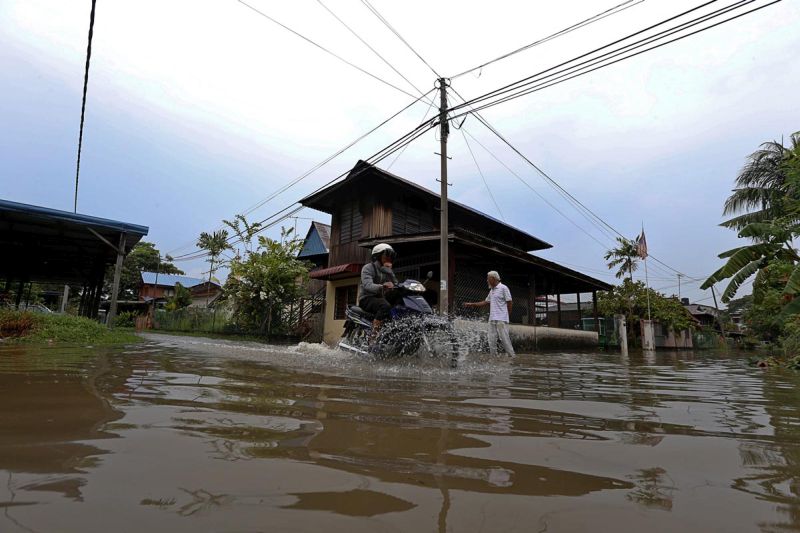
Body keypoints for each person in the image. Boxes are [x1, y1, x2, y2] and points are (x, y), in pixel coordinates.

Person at [464, 270, 515, 356]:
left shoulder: (503, 288)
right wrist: (472, 304)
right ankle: (493, 357)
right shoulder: (492, 290)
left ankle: (512, 356)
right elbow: (486, 302)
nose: (487, 280)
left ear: (493, 278)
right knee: (491, 339)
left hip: (501, 319)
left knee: (505, 339)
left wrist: (507, 315)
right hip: (492, 318)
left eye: (488, 279)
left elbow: (509, 302)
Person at [359, 243, 398, 336]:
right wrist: (382, 286)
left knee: (398, 305)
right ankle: (373, 336)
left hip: (380, 299)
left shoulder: (387, 271)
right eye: (386, 256)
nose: (389, 259)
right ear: (378, 256)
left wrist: (391, 273)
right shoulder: (368, 268)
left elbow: (396, 285)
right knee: (385, 306)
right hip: (366, 299)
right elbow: (367, 285)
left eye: (391, 257)